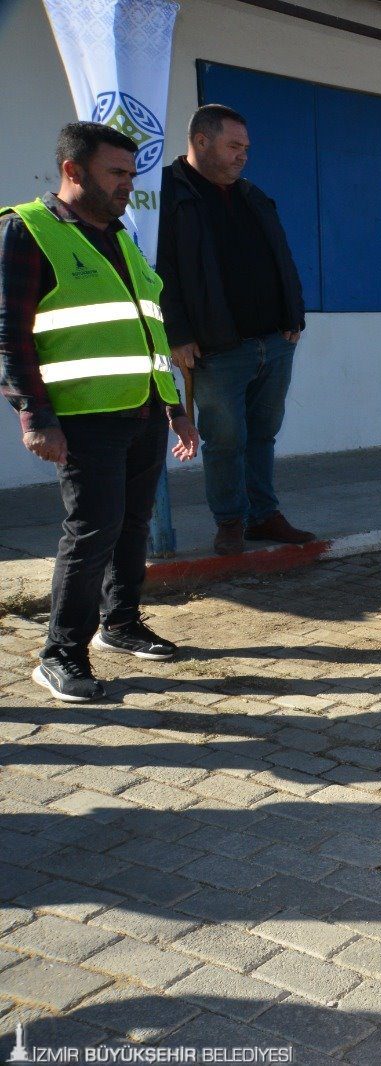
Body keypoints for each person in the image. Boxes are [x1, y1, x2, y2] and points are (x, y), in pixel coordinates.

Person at [1, 122, 200, 703]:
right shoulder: (27, 231)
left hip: (139, 410)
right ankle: (60, 653)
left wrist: (175, 408)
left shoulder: (121, 235)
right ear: (72, 170)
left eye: (131, 175)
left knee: (132, 524)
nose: (127, 187)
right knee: (92, 532)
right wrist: (33, 416)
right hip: (82, 418)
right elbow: (11, 336)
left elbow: (149, 329)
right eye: (116, 173)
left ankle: (121, 622)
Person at [158, 104, 308, 557]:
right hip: (216, 347)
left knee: (263, 433)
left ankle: (263, 515)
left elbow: (281, 256)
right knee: (225, 439)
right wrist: (177, 333)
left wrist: (293, 316)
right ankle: (230, 521)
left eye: (246, 148)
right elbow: (159, 271)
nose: (243, 156)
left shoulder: (251, 195)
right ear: (201, 142)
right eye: (234, 146)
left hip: (273, 342)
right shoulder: (167, 196)